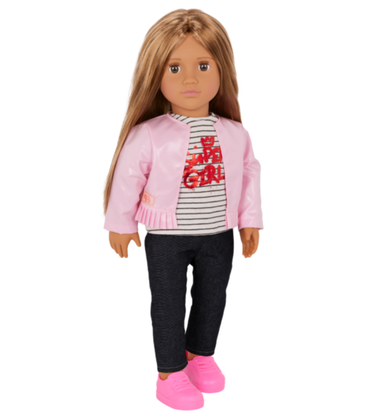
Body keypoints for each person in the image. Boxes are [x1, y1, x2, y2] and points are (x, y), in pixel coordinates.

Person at [103, 9, 264, 410]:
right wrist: (121, 223)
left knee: (213, 298)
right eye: (175, 68)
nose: (190, 79)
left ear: (222, 70)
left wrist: (249, 221)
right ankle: (169, 373)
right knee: (168, 304)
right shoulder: (149, 134)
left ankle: (199, 355)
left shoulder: (235, 133)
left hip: (218, 234)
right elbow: (128, 176)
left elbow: (249, 174)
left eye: (203, 66)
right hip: (167, 238)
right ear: (155, 74)